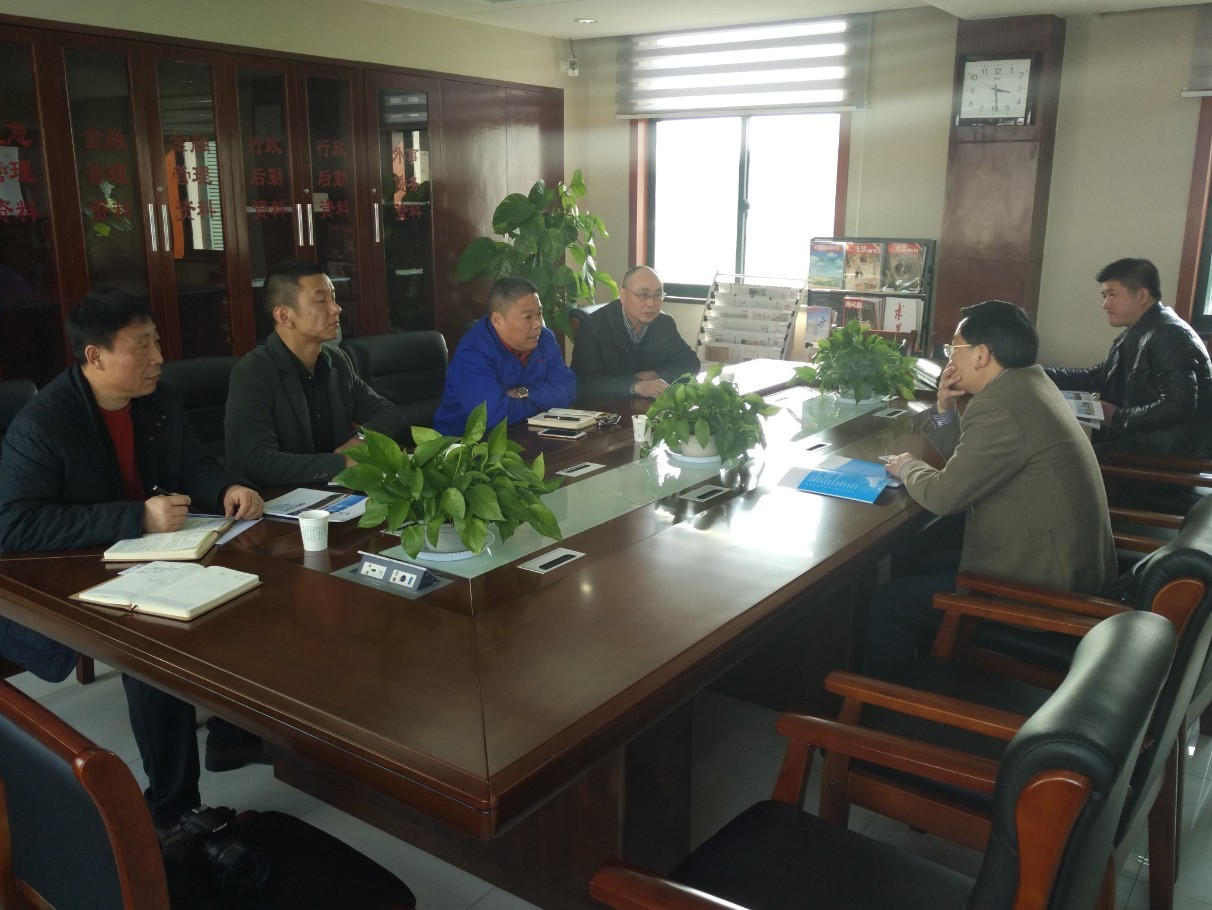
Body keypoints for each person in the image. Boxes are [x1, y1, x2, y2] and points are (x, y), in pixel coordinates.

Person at [0, 288, 266, 831]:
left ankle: (234, 733)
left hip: (149, 555)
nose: (159, 358)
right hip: (64, 573)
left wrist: (228, 487)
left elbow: (193, 464)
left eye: (157, 342)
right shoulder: (45, 423)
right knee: (152, 649)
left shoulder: (158, 400)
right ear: (95, 356)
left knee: (253, 589)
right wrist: (135, 517)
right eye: (141, 346)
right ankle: (173, 810)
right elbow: (13, 525)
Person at [865, 299, 1116, 678]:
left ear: (981, 355)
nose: (950, 359)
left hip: (1041, 587)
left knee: (889, 601)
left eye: (954, 349)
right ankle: (935, 663)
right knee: (917, 562)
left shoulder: (1001, 406)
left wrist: (906, 465)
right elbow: (976, 465)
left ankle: (887, 700)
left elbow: (944, 496)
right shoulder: (1029, 384)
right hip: (1063, 565)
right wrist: (945, 411)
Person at [225, 260, 402, 486]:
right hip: (279, 497)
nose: (336, 308)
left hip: (336, 492)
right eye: (321, 300)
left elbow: (387, 412)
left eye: (333, 297)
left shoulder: (336, 359)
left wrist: (361, 439)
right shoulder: (254, 372)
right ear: (284, 316)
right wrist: (340, 463)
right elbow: (255, 461)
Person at [1045, 258, 1212, 459]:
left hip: (1174, 449)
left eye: (1112, 295)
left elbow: (1178, 404)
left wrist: (1117, 417)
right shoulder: (1140, 330)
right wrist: (1039, 374)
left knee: (1071, 459)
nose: (1105, 304)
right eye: (1104, 295)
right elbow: (1096, 377)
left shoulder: (1169, 333)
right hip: (1148, 440)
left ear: (1142, 295)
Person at [432, 276, 576, 435]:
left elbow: (568, 390)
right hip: (464, 445)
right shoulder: (472, 353)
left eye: (539, 314)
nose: (537, 325)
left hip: (527, 435)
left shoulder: (545, 339)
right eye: (528, 317)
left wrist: (525, 393)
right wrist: (544, 404)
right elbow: (493, 415)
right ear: (497, 320)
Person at [570, 265, 699, 402]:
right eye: (643, 295)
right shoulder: (593, 327)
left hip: (648, 407)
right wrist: (635, 386)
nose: (651, 303)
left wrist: (655, 374)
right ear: (623, 295)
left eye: (658, 295)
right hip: (606, 407)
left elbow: (691, 363)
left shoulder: (664, 323)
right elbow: (584, 383)